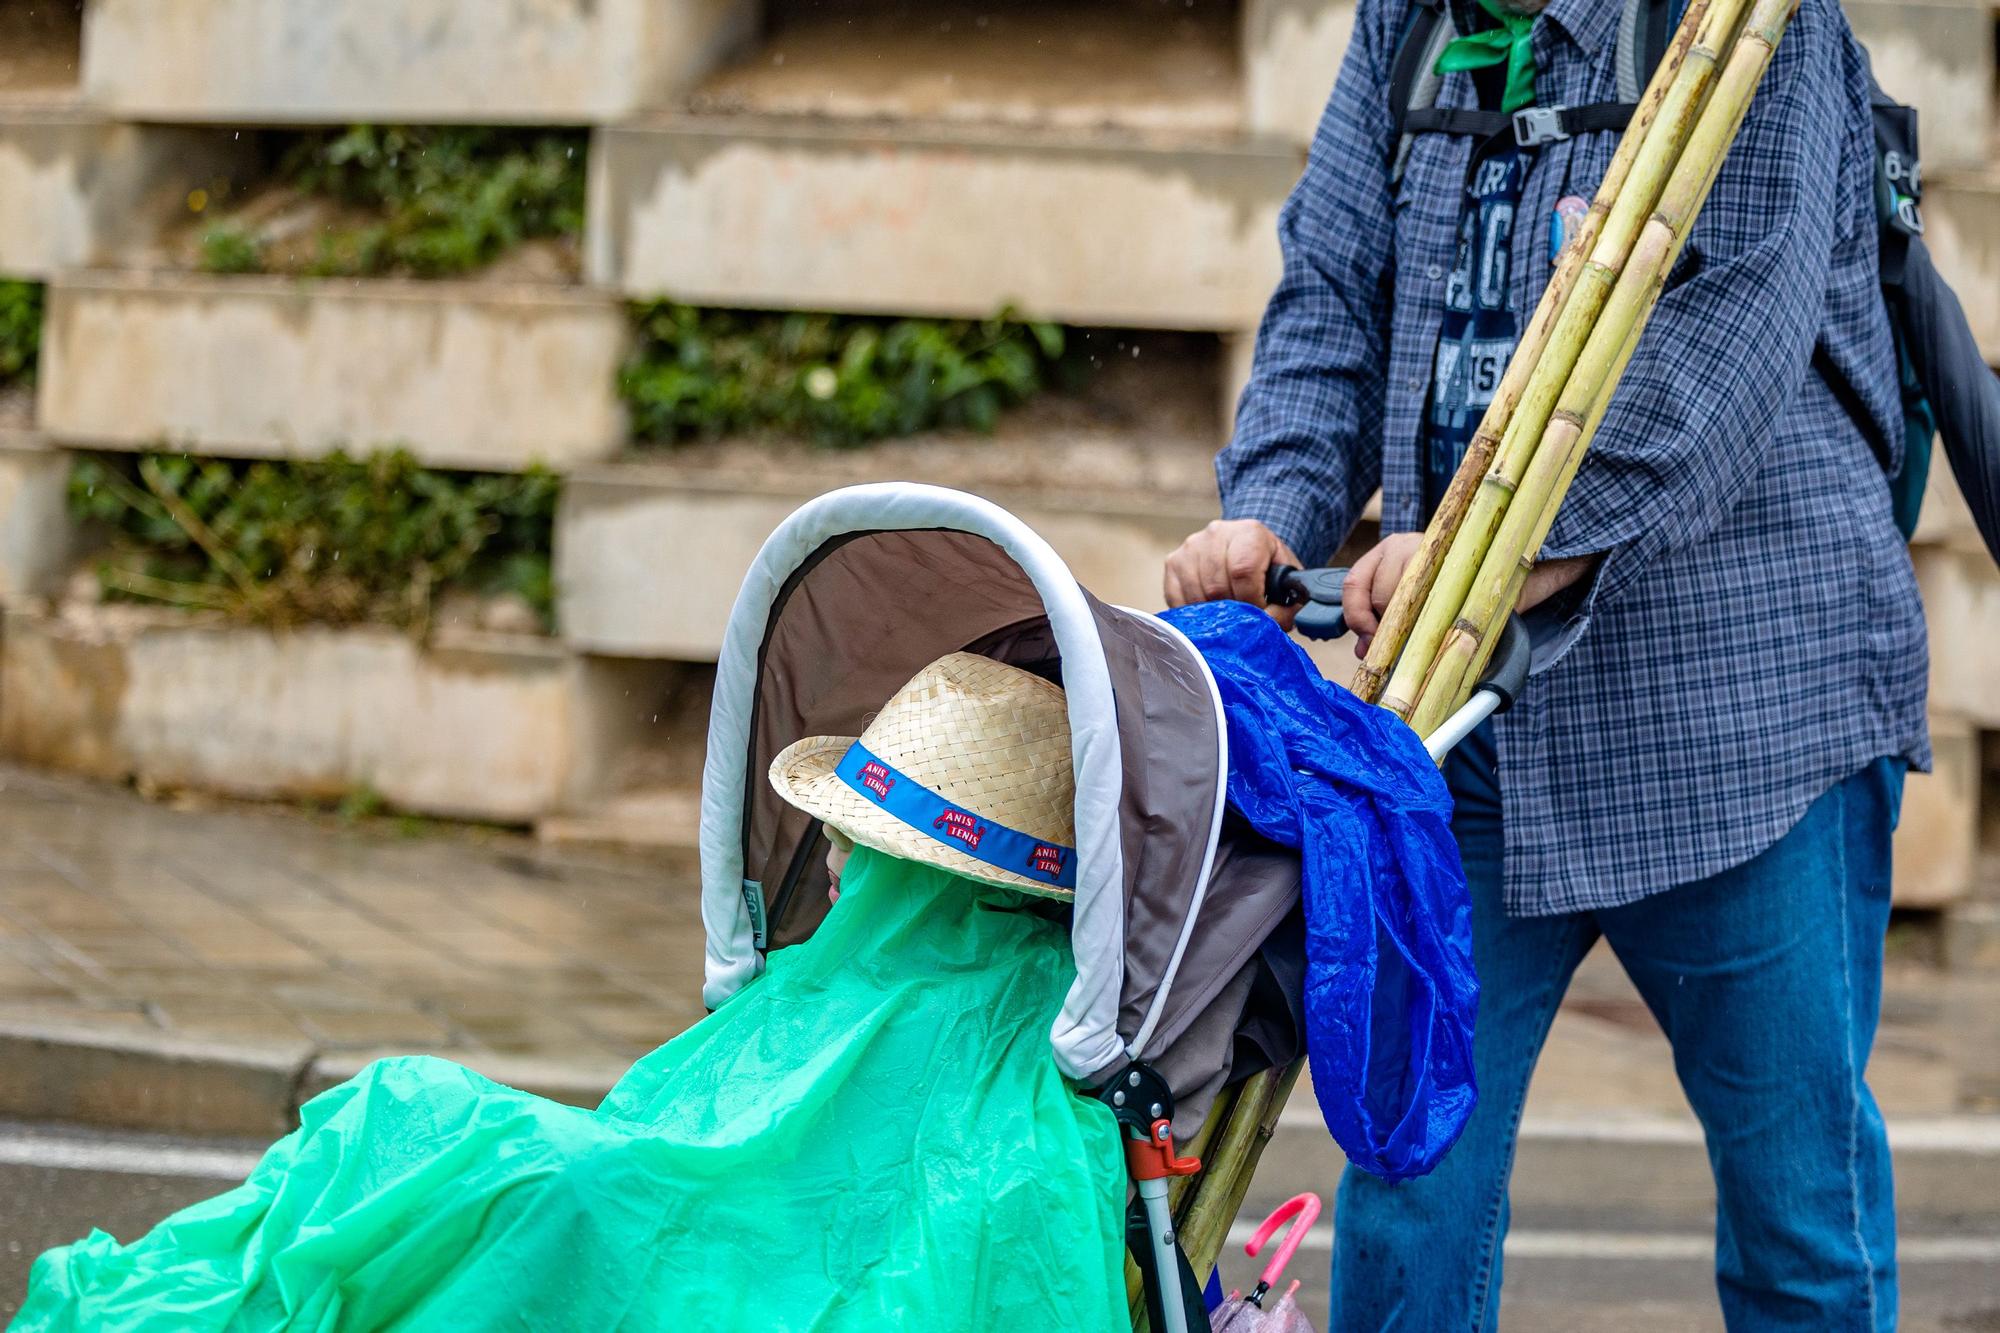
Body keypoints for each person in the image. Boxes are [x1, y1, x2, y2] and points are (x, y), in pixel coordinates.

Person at [1164, 0, 1926, 1327]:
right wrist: (1271, 515)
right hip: (1463, 731)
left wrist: (1490, 557)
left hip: (1746, 730)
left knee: (1798, 1217)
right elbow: (1330, 294)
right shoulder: (1409, 19)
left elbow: (1717, 360)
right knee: (1411, 1190)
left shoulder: (1752, 24)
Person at [13, 655, 1127, 1332]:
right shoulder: (877, 967)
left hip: (687, 1269)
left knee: (417, 1127)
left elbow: (939, 1248)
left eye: (859, 839)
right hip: (649, 1221)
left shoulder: (1011, 1030)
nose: (830, 856)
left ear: (930, 870)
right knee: (402, 1124)